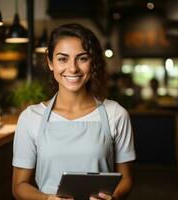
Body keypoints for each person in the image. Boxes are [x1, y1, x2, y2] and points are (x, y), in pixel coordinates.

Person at [12, 23, 136, 200]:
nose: (73, 68)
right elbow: (19, 186)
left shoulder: (116, 114)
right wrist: (47, 199)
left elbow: (127, 180)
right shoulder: (30, 118)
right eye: (63, 59)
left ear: (92, 62)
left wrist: (113, 198)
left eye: (82, 58)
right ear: (50, 62)